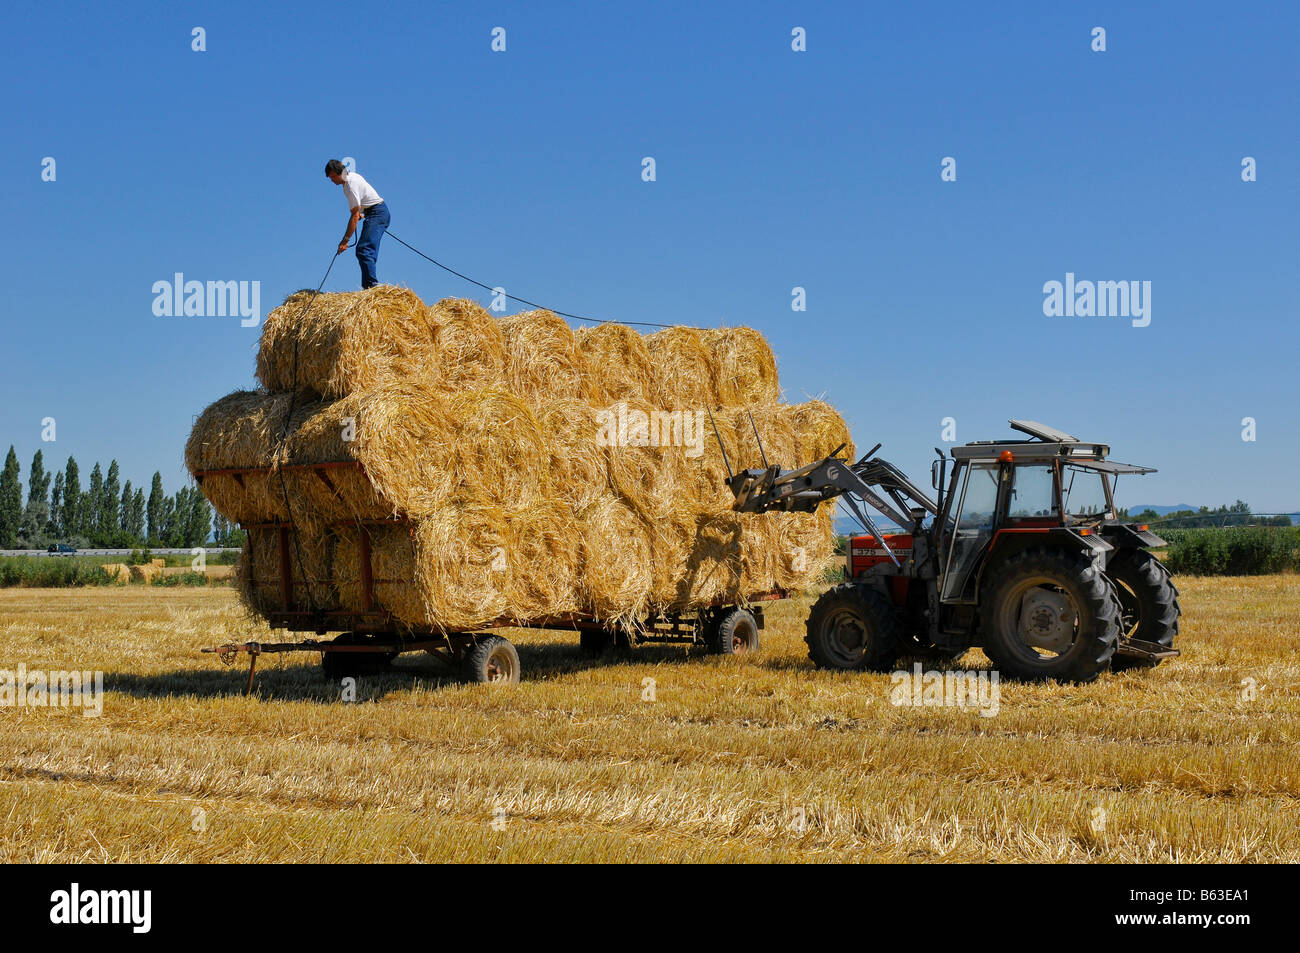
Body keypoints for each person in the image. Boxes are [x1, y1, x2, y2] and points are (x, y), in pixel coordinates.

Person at [324, 159, 390, 289]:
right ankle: (370, 285)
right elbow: (362, 203)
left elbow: (354, 215)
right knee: (366, 250)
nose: (332, 181)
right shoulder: (352, 177)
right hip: (374, 212)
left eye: (332, 177)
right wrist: (361, 213)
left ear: (338, 173)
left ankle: (371, 286)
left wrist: (345, 240)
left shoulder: (349, 185)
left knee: (364, 250)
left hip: (377, 213)